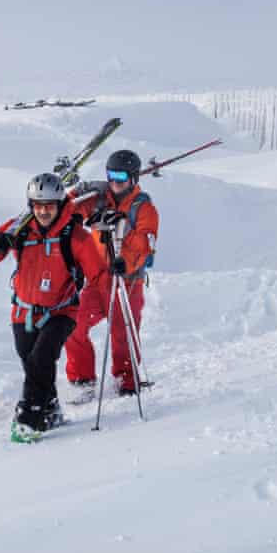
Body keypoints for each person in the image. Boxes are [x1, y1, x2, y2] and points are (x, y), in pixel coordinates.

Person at [0, 173, 109, 442]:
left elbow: (98, 274)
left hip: (61, 311)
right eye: (38, 205)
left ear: (59, 204)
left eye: (49, 205)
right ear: (30, 204)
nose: (44, 211)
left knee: (41, 359)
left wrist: (112, 275)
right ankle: (51, 409)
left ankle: (29, 418)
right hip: (23, 311)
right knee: (33, 366)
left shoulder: (75, 235)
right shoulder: (19, 228)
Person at [64, 149, 159, 401]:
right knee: (72, 324)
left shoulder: (144, 207)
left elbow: (146, 244)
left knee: (122, 333)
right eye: (110, 176)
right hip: (98, 280)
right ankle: (83, 379)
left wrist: (121, 226)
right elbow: (68, 208)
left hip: (127, 280)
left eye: (121, 177)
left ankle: (126, 379)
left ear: (134, 178)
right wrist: (82, 188)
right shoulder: (99, 197)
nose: (115, 182)